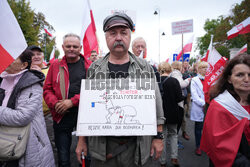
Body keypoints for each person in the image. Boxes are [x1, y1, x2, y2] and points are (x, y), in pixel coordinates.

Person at [76, 12, 165, 167]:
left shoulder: (145, 68)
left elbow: (156, 106)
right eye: (113, 33)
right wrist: (82, 140)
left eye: (123, 33)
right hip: (103, 148)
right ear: (106, 37)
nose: (118, 37)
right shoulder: (94, 69)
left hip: (136, 147)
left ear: (129, 36)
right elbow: (86, 110)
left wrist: (158, 137)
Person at [43, 33, 91, 166]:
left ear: (80, 48)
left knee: (86, 156)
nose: (71, 49)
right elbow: (47, 89)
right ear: (62, 47)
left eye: (75, 46)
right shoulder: (55, 65)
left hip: (85, 115)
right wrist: (55, 103)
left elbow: (94, 92)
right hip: (61, 115)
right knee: (63, 158)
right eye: (68, 46)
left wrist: (72, 101)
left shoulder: (90, 66)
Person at [0, 49, 55, 167]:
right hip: (5, 140)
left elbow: (22, 116)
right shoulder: (4, 79)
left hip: (27, 143)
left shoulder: (31, 82)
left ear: (24, 65)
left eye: (12, 57)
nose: (7, 60)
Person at [200, 53, 250, 167]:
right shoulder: (219, 106)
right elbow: (219, 148)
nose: (246, 79)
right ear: (229, 79)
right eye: (240, 75)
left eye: (249, 74)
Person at [158, 62, 184, 167]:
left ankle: (162, 161)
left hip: (160, 114)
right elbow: (179, 98)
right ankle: (174, 157)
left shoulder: (156, 81)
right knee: (173, 135)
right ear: (170, 70)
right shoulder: (174, 81)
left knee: (162, 137)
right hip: (173, 113)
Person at [190, 61, 208, 156]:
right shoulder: (195, 80)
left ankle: (207, 145)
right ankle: (198, 146)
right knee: (198, 128)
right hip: (199, 106)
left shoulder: (210, 79)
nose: (206, 70)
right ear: (199, 69)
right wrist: (203, 103)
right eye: (204, 68)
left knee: (208, 127)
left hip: (209, 107)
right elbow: (194, 95)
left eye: (207, 68)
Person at [170, 61, 191, 141]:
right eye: (182, 65)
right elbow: (181, 84)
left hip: (182, 99)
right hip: (179, 100)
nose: (184, 66)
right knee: (181, 119)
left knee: (182, 119)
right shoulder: (176, 73)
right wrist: (188, 81)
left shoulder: (176, 73)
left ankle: (180, 134)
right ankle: (175, 139)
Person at [28, 45, 50, 115]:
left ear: (43, 56)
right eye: (32, 55)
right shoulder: (24, 72)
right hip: (29, 113)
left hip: (48, 113)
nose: (36, 57)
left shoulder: (51, 71)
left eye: (39, 54)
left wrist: (40, 76)